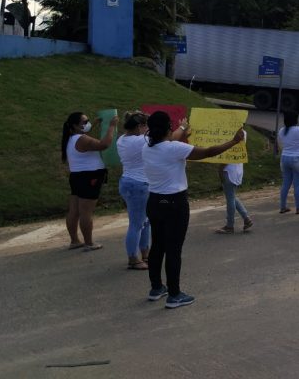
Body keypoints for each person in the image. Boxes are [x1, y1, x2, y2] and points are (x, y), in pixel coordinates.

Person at [142, 111, 244, 309]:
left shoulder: (147, 147)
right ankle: (174, 294)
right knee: (174, 249)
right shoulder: (174, 148)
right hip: (175, 203)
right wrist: (233, 141)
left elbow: (173, 140)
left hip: (154, 201)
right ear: (168, 128)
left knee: (158, 246)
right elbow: (207, 152)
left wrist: (183, 129)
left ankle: (156, 288)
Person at [61, 111, 118, 251]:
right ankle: (89, 243)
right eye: (84, 122)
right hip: (90, 177)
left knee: (74, 210)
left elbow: (84, 134)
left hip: (76, 176)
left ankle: (74, 240)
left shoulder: (71, 137)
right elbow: (104, 144)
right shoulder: (83, 140)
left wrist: (97, 123)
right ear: (75, 126)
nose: (88, 124)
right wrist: (111, 126)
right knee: (86, 211)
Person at [116, 111, 151, 269]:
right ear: (139, 127)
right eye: (145, 126)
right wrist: (183, 126)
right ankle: (133, 258)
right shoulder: (141, 141)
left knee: (144, 222)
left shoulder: (122, 139)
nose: (147, 129)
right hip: (139, 185)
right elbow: (166, 138)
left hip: (128, 182)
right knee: (137, 224)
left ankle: (145, 253)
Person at [215, 130, 254, 233]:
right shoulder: (244, 132)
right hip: (237, 169)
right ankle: (246, 218)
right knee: (232, 196)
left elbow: (229, 153)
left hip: (229, 170)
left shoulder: (231, 132)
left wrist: (220, 168)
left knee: (230, 199)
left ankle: (230, 225)